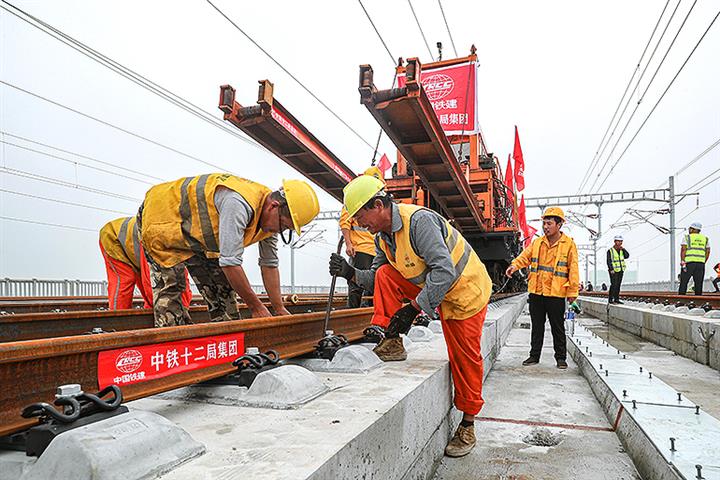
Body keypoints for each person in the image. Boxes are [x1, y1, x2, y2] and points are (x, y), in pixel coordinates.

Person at [329, 175, 492, 458]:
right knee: (384, 273)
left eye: (360, 216)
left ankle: (467, 425)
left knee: (464, 358)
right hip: (438, 289)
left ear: (378, 205)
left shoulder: (419, 223)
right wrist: (350, 272)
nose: (358, 225)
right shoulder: (382, 237)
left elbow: (444, 271)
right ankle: (391, 340)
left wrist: (413, 308)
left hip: (466, 292)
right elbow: (380, 277)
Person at [138, 174, 319, 327]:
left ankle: (226, 343)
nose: (280, 231)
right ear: (274, 206)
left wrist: (279, 308)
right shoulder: (237, 204)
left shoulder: (270, 221)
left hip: (197, 237)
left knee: (223, 292)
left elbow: (269, 264)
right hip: (161, 222)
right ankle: (173, 347)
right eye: (284, 226)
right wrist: (256, 307)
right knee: (171, 292)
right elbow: (230, 263)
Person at [505, 207, 579, 369]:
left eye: (549, 224)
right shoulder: (537, 243)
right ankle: (534, 356)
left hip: (556, 293)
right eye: (544, 223)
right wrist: (514, 266)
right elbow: (525, 257)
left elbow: (573, 270)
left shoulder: (569, 245)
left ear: (559, 224)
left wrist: (572, 292)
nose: (545, 227)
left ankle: (561, 358)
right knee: (536, 326)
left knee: (557, 327)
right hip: (537, 292)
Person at [99, 216, 192, 310]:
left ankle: (150, 309)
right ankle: (117, 319)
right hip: (113, 237)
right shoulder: (156, 239)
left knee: (152, 281)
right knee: (125, 279)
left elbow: (182, 277)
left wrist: (183, 307)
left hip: (138, 240)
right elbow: (152, 282)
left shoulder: (179, 240)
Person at [339, 167, 383, 308]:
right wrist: (348, 244)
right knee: (356, 283)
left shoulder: (377, 205)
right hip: (361, 249)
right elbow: (345, 222)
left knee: (373, 283)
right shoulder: (354, 199)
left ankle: (369, 310)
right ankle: (353, 310)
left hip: (375, 251)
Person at [679, 222, 710, 295]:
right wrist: (703, 261)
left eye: (690, 228)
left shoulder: (687, 237)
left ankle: (681, 299)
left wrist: (683, 261)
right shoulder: (705, 239)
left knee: (684, 282)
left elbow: (683, 250)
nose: (689, 230)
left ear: (694, 229)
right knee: (699, 283)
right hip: (701, 264)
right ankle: (698, 298)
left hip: (688, 263)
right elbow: (708, 251)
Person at [606, 235, 629, 304]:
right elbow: (609, 261)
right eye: (618, 241)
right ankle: (610, 300)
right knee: (613, 284)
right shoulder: (610, 251)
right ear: (615, 242)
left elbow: (627, 256)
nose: (620, 243)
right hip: (613, 271)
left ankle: (616, 299)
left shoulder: (621, 250)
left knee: (618, 285)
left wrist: (623, 249)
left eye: (621, 241)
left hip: (621, 270)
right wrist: (611, 269)